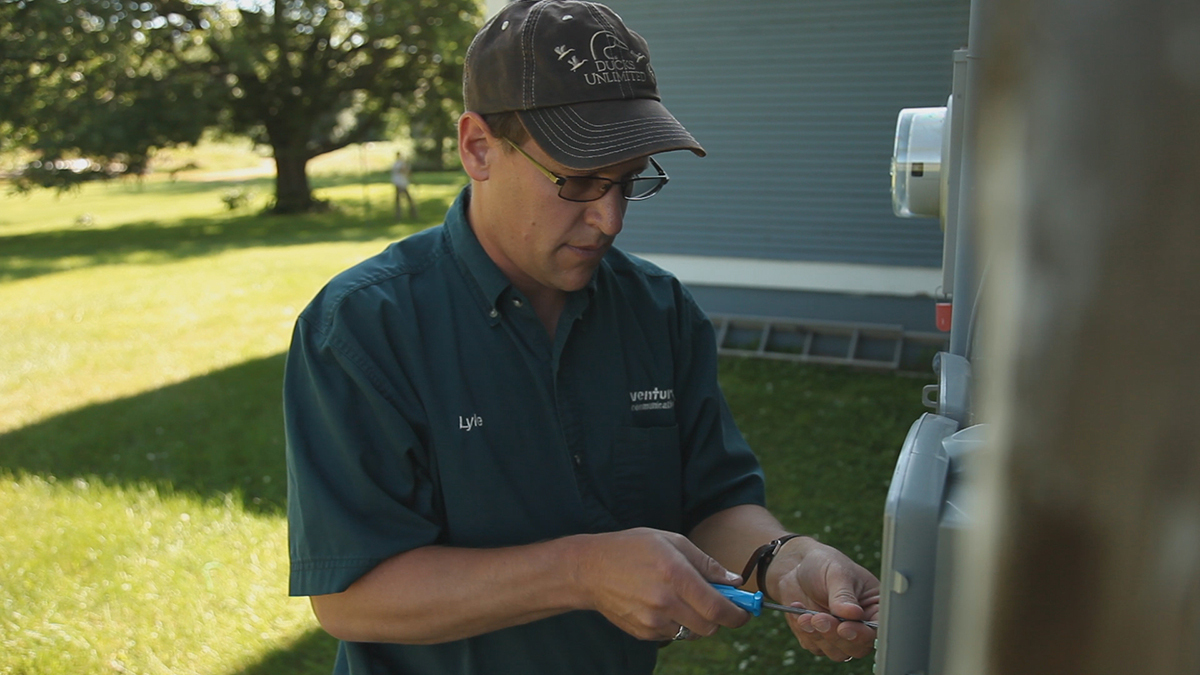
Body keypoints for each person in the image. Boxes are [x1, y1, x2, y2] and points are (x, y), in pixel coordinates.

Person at [283, 2, 880, 673]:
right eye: (578, 180)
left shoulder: (657, 309)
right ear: (478, 146)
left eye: (630, 181)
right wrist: (581, 572)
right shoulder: (366, 325)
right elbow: (350, 596)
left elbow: (712, 502)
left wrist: (787, 559)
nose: (611, 218)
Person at [391, 151, 418, 220]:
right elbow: (404, 171)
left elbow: (407, 173)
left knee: (406, 199)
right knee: (401, 200)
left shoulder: (401, 164)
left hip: (402, 183)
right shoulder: (398, 164)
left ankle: (412, 213)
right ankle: (400, 215)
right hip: (399, 183)